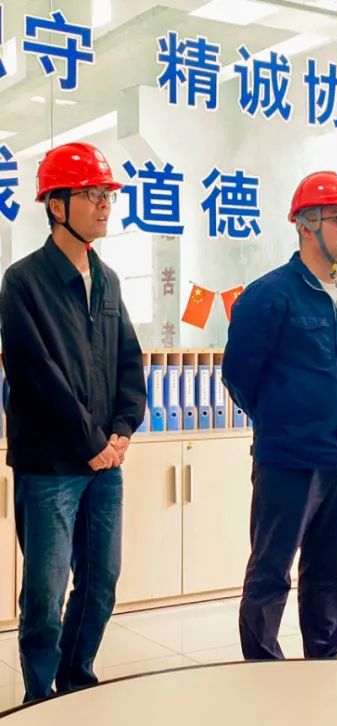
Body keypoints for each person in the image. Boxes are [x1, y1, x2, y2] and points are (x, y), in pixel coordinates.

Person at [0, 142, 145, 700]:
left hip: (105, 462)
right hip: (51, 465)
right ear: (56, 205)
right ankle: (40, 696)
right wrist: (89, 442)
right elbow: (35, 373)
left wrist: (123, 428)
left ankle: (77, 678)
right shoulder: (22, 282)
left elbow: (128, 361)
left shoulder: (107, 280)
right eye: (92, 194)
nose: (105, 204)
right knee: (44, 593)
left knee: (101, 583)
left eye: (107, 194)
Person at [223, 170, 337, 660]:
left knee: (330, 574)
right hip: (289, 460)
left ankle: (324, 667)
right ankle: (262, 668)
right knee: (271, 571)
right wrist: (281, 421)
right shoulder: (269, 295)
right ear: (305, 225)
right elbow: (239, 375)